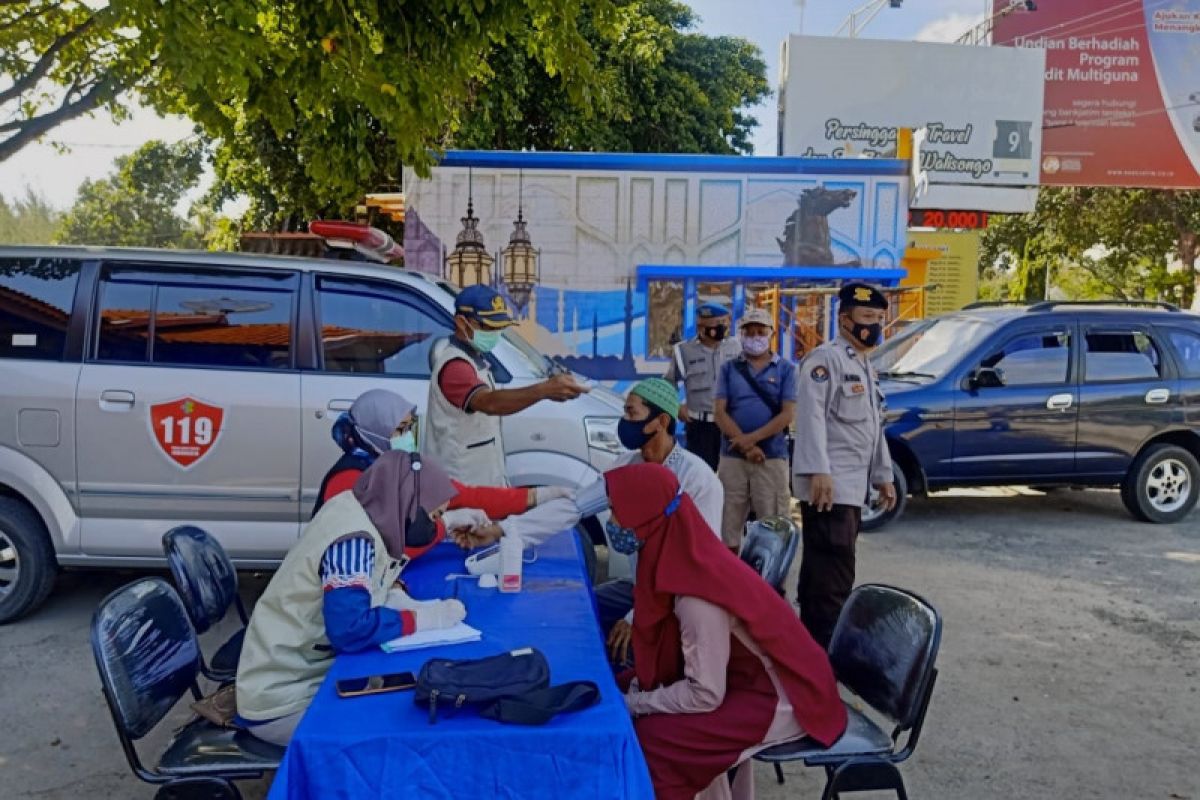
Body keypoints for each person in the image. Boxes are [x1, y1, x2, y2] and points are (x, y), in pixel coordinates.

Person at [606, 463, 847, 800]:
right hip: (741, 679)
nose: (613, 524)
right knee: (618, 691)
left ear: (645, 520)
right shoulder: (682, 556)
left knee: (652, 739)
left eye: (618, 512)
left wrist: (637, 702)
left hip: (786, 696)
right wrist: (634, 695)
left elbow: (705, 694)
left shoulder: (696, 597)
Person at [236, 451, 468, 746]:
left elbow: (365, 588)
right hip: (281, 698)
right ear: (407, 502)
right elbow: (350, 629)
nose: (433, 525)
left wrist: (396, 598)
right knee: (390, 736)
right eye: (433, 515)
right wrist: (422, 618)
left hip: (300, 673)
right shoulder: (354, 540)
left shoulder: (356, 508)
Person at [313, 389, 569, 558]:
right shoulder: (348, 481)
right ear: (374, 432)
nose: (409, 437)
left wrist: (536, 496)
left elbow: (464, 495)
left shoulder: (399, 466)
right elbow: (385, 545)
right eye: (400, 429)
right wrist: (443, 525)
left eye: (411, 426)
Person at [588, 377, 724, 666]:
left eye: (631, 413)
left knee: (623, 650)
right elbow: (577, 503)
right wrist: (517, 516)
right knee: (582, 607)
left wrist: (635, 616)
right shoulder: (626, 466)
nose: (624, 421)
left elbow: (695, 564)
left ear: (660, 420)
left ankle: (634, 701)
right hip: (640, 588)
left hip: (679, 598)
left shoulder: (697, 480)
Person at [792, 282, 897, 648]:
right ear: (844, 319)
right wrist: (818, 470)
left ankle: (813, 651)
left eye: (878, 318)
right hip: (830, 488)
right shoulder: (826, 360)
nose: (874, 325)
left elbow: (872, 428)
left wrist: (884, 476)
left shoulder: (865, 366)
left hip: (851, 490)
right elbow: (811, 418)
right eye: (867, 316)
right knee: (831, 579)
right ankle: (821, 660)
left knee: (828, 573)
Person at [425, 284, 587, 486]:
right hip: (460, 488)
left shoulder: (476, 359)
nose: (495, 334)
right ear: (461, 322)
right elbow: (488, 403)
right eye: (489, 327)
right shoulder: (455, 366)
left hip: (481, 486)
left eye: (499, 328)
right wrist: (543, 390)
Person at [714, 308, 798, 552]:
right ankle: (729, 580)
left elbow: (787, 414)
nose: (754, 336)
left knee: (773, 524)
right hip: (732, 458)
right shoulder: (729, 369)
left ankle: (770, 585)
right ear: (741, 335)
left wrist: (750, 440)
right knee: (728, 523)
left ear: (771, 334)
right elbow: (720, 412)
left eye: (760, 331)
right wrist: (746, 446)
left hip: (771, 458)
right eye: (749, 332)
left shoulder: (786, 370)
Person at [665, 303, 742, 471]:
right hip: (700, 428)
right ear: (701, 328)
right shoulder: (684, 351)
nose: (723, 328)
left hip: (731, 425)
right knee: (701, 475)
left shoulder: (737, 348)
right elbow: (668, 384)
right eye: (716, 325)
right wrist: (676, 406)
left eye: (724, 323)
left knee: (731, 478)